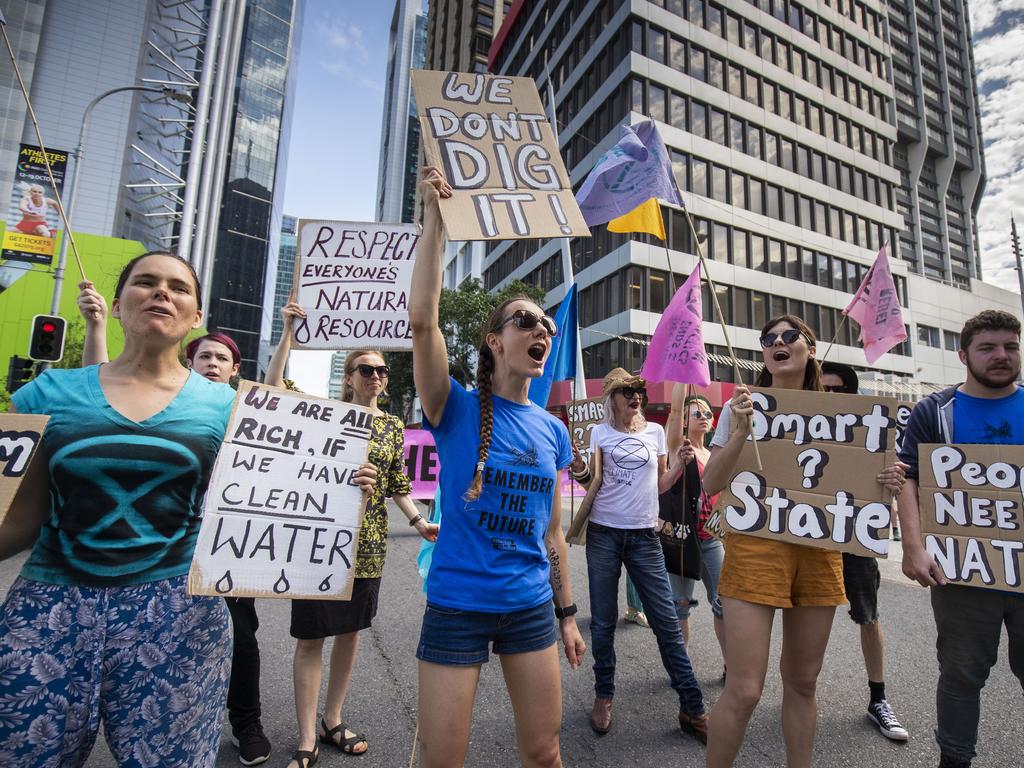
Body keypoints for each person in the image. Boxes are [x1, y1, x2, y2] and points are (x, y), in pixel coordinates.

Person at [0, 250, 375, 767]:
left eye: (178, 288)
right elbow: (22, 517)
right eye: (145, 282)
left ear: (196, 316)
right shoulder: (45, 394)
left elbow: (270, 501)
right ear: (114, 305)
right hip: (48, 612)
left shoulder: (230, 408)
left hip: (177, 615)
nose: (161, 293)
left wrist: (339, 487)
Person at [410, 166, 586, 768]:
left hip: (530, 606)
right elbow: (423, 322)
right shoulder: (453, 407)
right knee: (443, 759)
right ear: (493, 340)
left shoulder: (553, 430)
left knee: (544, 752)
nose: (541, 328)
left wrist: (566, 615)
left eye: (545, 323)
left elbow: (553, 533)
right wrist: (434, 222)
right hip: (457, 604)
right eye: (524, 320)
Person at [76, 285, 272, 765]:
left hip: (224, 548)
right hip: (157, 553)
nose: (211, 363)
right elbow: (90, 395)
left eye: (221, 357)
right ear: (190, 360)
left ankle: (246, 724)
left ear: (234, 369)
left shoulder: (245, 410)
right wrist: (96, 328)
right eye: (203, 355)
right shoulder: (170, 405)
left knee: (240, 640)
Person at [701, 315, 906, 768]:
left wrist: (887, 481)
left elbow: (862, 487)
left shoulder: (842, 415)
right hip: (755, 549)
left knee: (803, 683)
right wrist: (738, 432)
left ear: (809, 348)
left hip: (819, 550)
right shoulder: (742, 405)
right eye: (768, 338)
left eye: (788, 336)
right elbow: (711, 482)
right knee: (745, 688)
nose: (777, 342)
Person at [267, 309, 438, 768]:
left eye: (383, 369)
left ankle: (333, 720)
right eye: (367, 369)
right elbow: (274, 387)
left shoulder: (392, 426)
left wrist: (419, 522)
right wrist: (287, 333)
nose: (378, 376)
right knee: (310, 640)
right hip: (318, 544)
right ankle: (306, 738)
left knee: (349, 634)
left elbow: (397, 483)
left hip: (367, 546)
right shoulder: (324, 414)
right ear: (349, 378)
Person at [896, 309, 1024, 768]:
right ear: (963, 354)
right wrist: (913, 547)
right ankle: (955, 759)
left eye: (1010, 346)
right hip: (964, 570)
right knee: (961, 675)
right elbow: (907, 478)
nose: (1001, 356)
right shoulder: (935, 411)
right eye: (988, 347)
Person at [578, 368, 707, 739]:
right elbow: (592, 480)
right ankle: (603, 694)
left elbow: (661, 484)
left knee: (667, 623)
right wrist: (578, 467)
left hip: (644, 537)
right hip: (604, 534)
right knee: (603, 623)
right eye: (626, 391)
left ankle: (692, 706)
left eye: (638, 391)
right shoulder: (599, 433)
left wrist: (681, 464)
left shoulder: (654, 432)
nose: (635, 396)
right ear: (613, 399)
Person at [820, 360, 909, 742]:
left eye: (838, 390)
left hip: (855, 538)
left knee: (868, 617)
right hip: (809, 537)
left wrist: (895, 480)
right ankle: (798, 690)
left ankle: (878, 699)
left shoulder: (871, 433)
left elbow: (897, 478)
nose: (829, 396)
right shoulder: (792, 428)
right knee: (805, 619)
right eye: (823, 388)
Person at [665, 386, 725, 671]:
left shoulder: (715, 454)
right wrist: (682, 376)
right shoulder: (681, 447)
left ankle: (731, 664)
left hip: (711, 538)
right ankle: (682, 665)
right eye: (696, 413)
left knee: (724, 601)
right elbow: (676, 410)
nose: (704, 416)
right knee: (681, 605)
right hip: (682, 539)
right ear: (686, 421)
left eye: (708, 412)